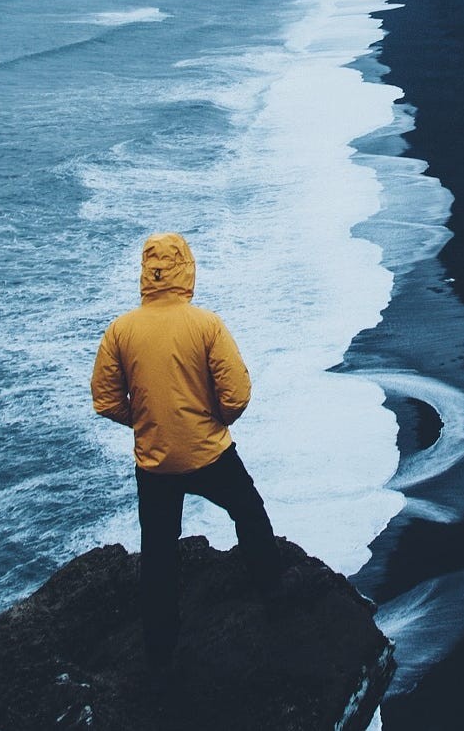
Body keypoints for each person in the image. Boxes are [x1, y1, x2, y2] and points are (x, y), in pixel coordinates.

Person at [91, 232, 282, 659]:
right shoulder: (205, 324)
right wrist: (210, 422)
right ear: (186, 269)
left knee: (158, 552)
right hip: (210, 453)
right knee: (249, 512)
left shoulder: (121, 330)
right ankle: (274, 596)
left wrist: (145, 420)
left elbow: (104, 401)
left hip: (155, 462)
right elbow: (236, 396)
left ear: (146, 273)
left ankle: (160, 652)